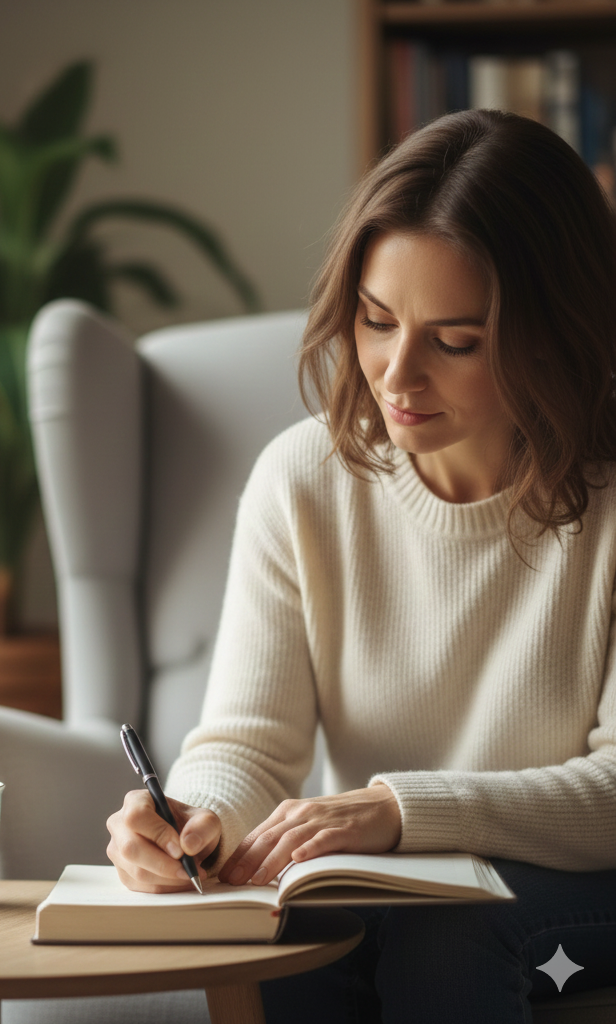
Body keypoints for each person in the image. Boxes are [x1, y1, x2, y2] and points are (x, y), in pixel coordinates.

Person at [105, 108, 616, 1022]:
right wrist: (196, 820)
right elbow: (249, 742)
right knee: (300, 939)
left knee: (449, 942)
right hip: (387, 884)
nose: (395, 375)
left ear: (556, 331)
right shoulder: (302, 480)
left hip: (586, 886)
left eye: (455, 342)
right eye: (377, 321)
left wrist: (398, 810)